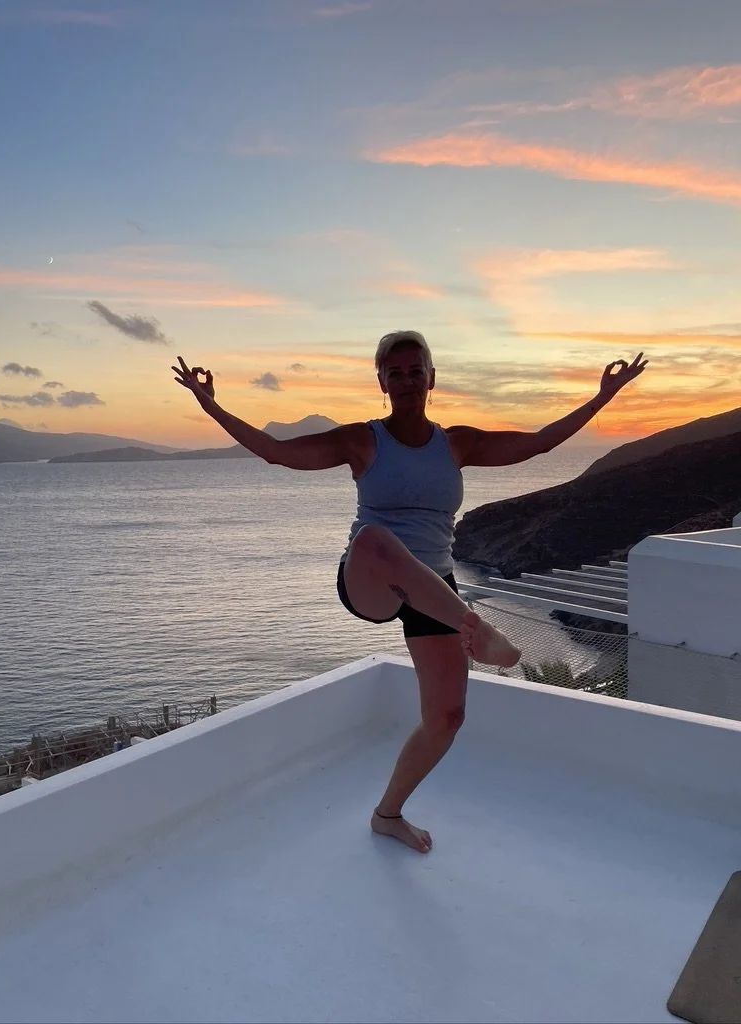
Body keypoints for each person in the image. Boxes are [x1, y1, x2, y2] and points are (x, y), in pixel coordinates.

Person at [172, 333, 648, 853]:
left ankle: (387, 815)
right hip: (371, 578)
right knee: (376, 539)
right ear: (381, 382)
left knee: (446, 718)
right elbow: (277, 453)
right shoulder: (362, 440)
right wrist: (210, 405)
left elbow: (538, 443)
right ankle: (480, 630)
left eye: (414, 370)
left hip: (434, 587)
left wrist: (603, 397)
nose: (405, 380)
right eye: (394, 373)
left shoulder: (457, 443)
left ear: (431, 378)